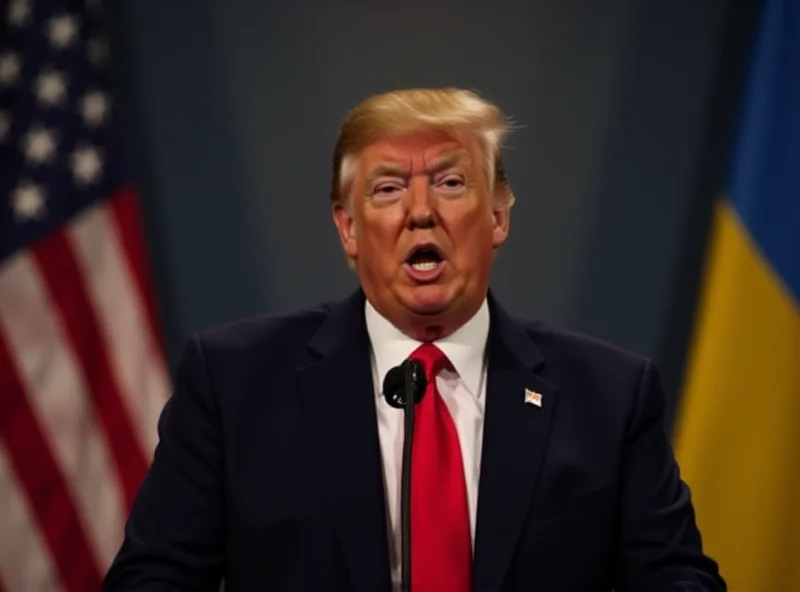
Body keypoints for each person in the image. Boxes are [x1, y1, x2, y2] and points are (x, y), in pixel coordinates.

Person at [103, 88, 726, 591]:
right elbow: (152, 578)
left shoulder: (609, 396)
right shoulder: (235, 384)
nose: (421, 211)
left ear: (499, 216)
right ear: (348, 228)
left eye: (452, 183)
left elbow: (677, 578)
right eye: (388, 188)